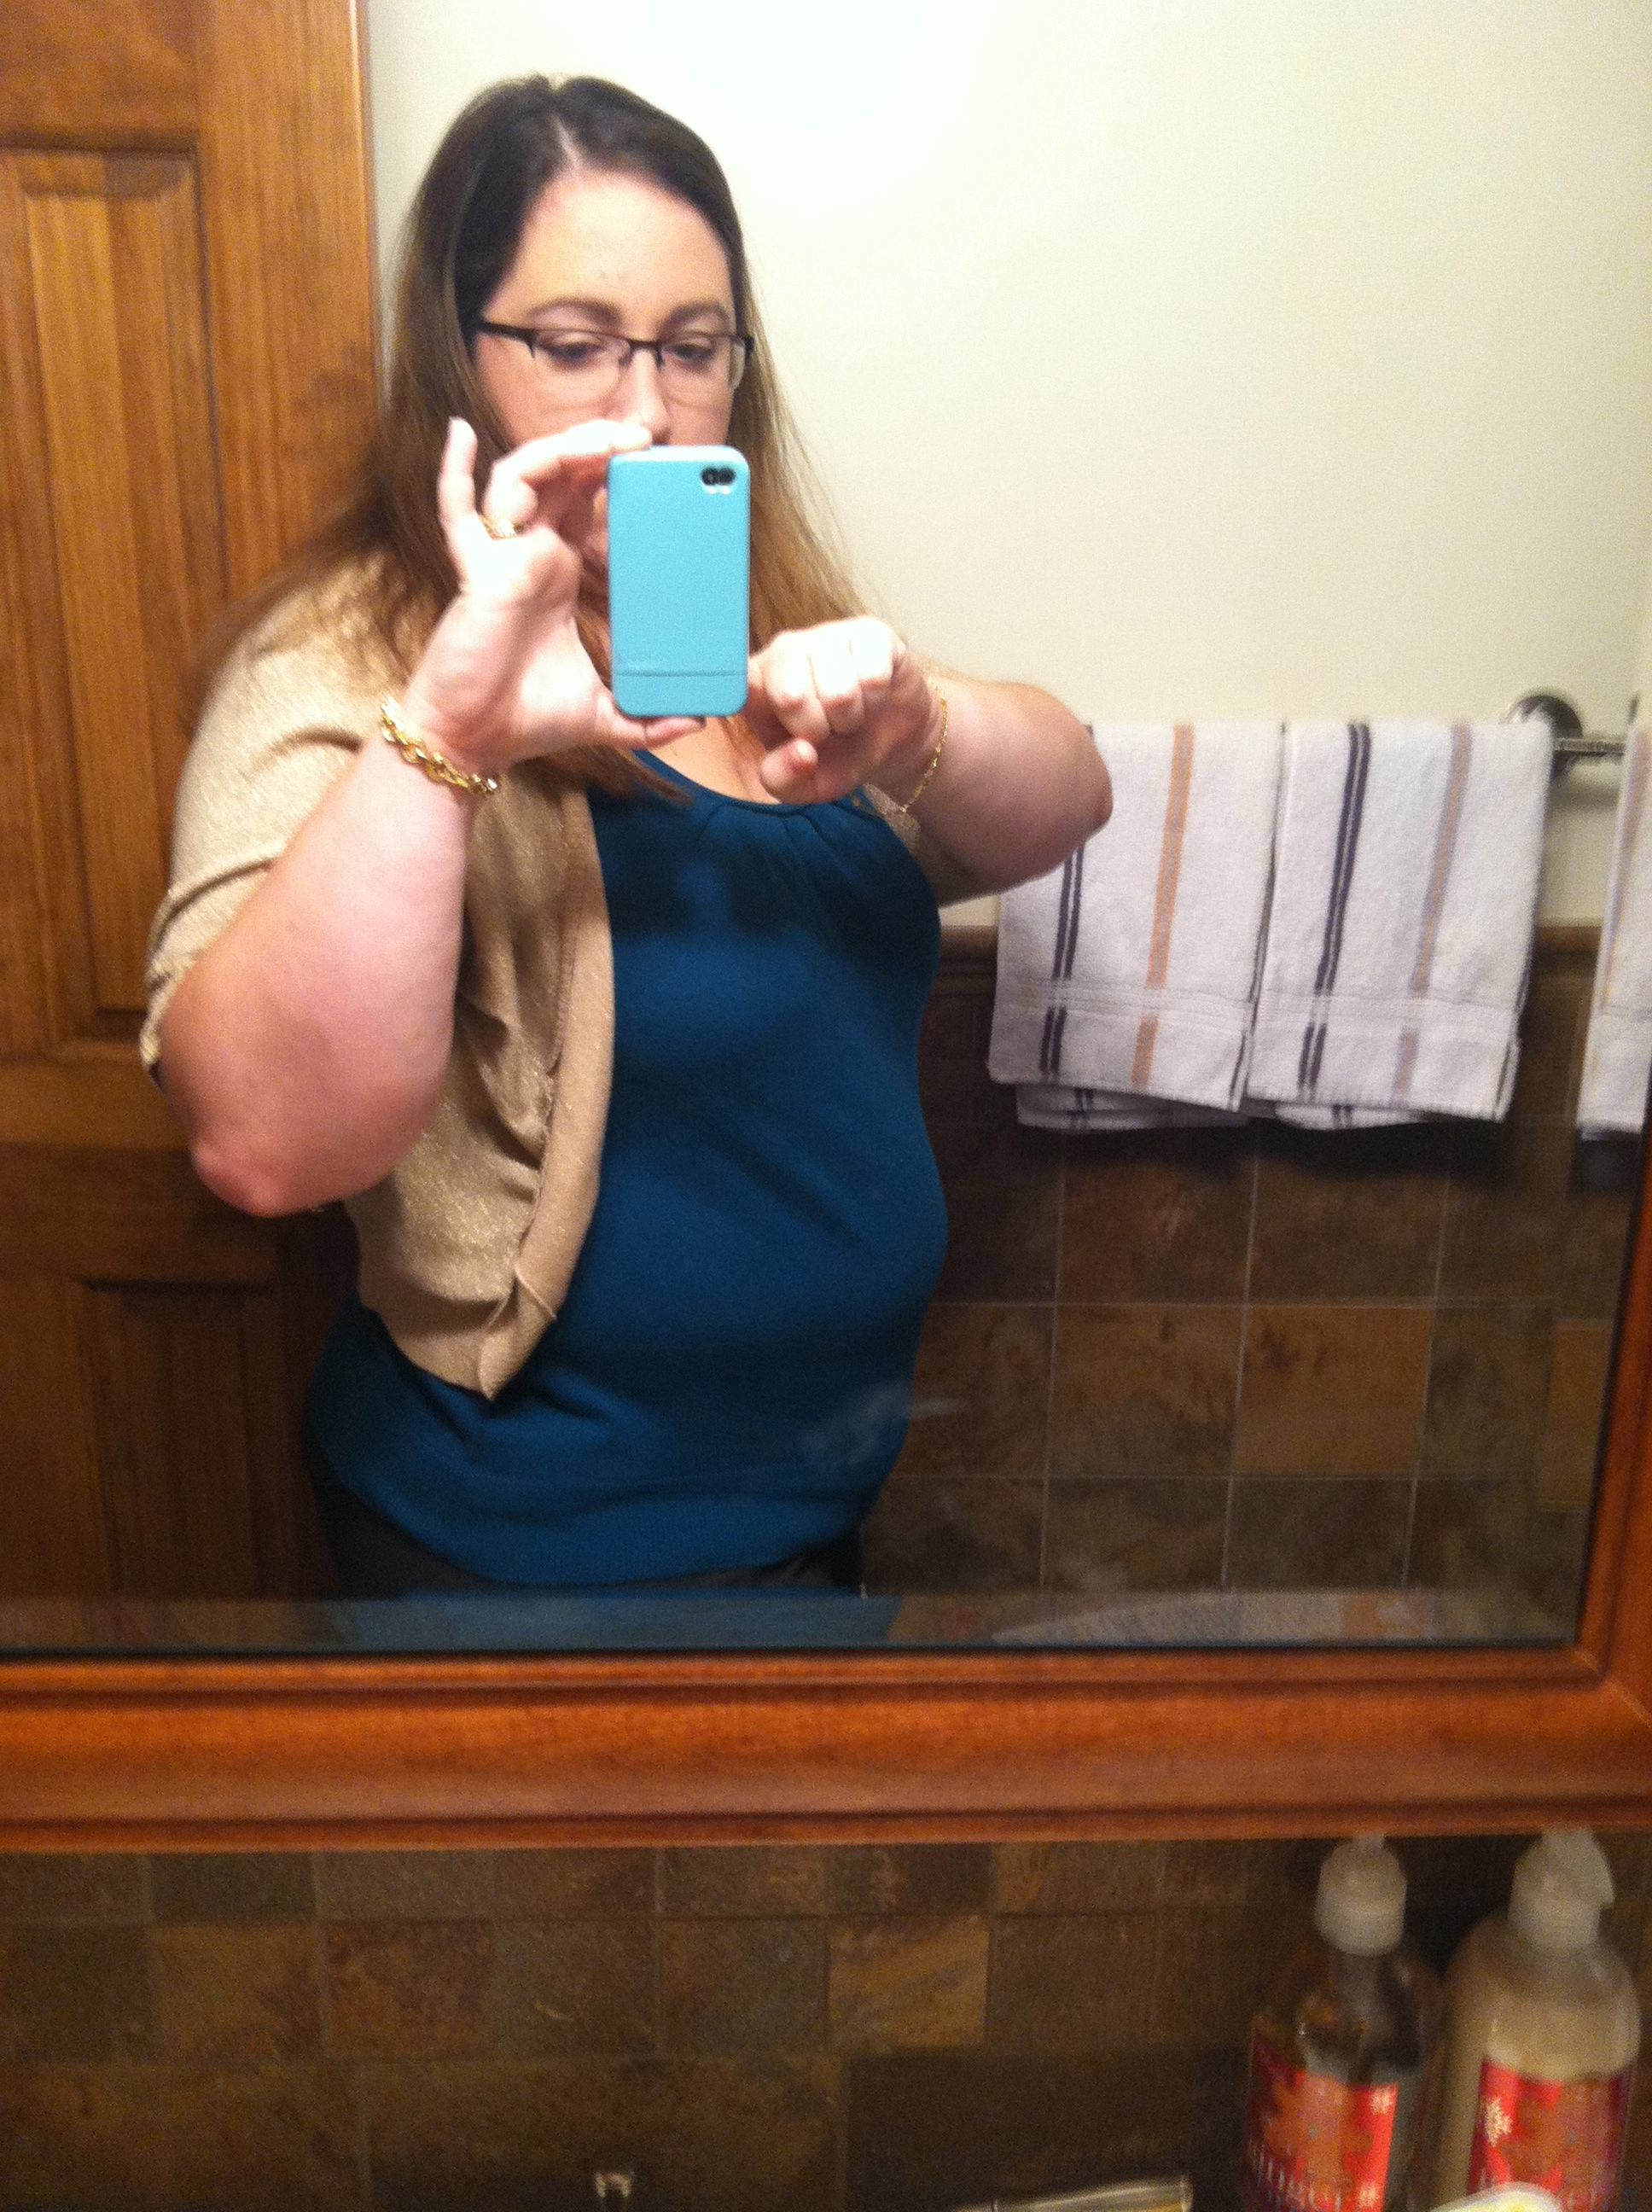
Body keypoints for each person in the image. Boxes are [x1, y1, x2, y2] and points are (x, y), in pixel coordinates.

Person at [143, 74, 1110, 1597]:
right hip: (518, 1546)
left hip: (809, 1507)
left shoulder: (746, 619)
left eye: (692, 346)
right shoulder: (337, 666)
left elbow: (1069, 798)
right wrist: (453, 735)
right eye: (575, 344)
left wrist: (921, 719)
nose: (646, 411)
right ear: (458, 356)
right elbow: (260, 1144)